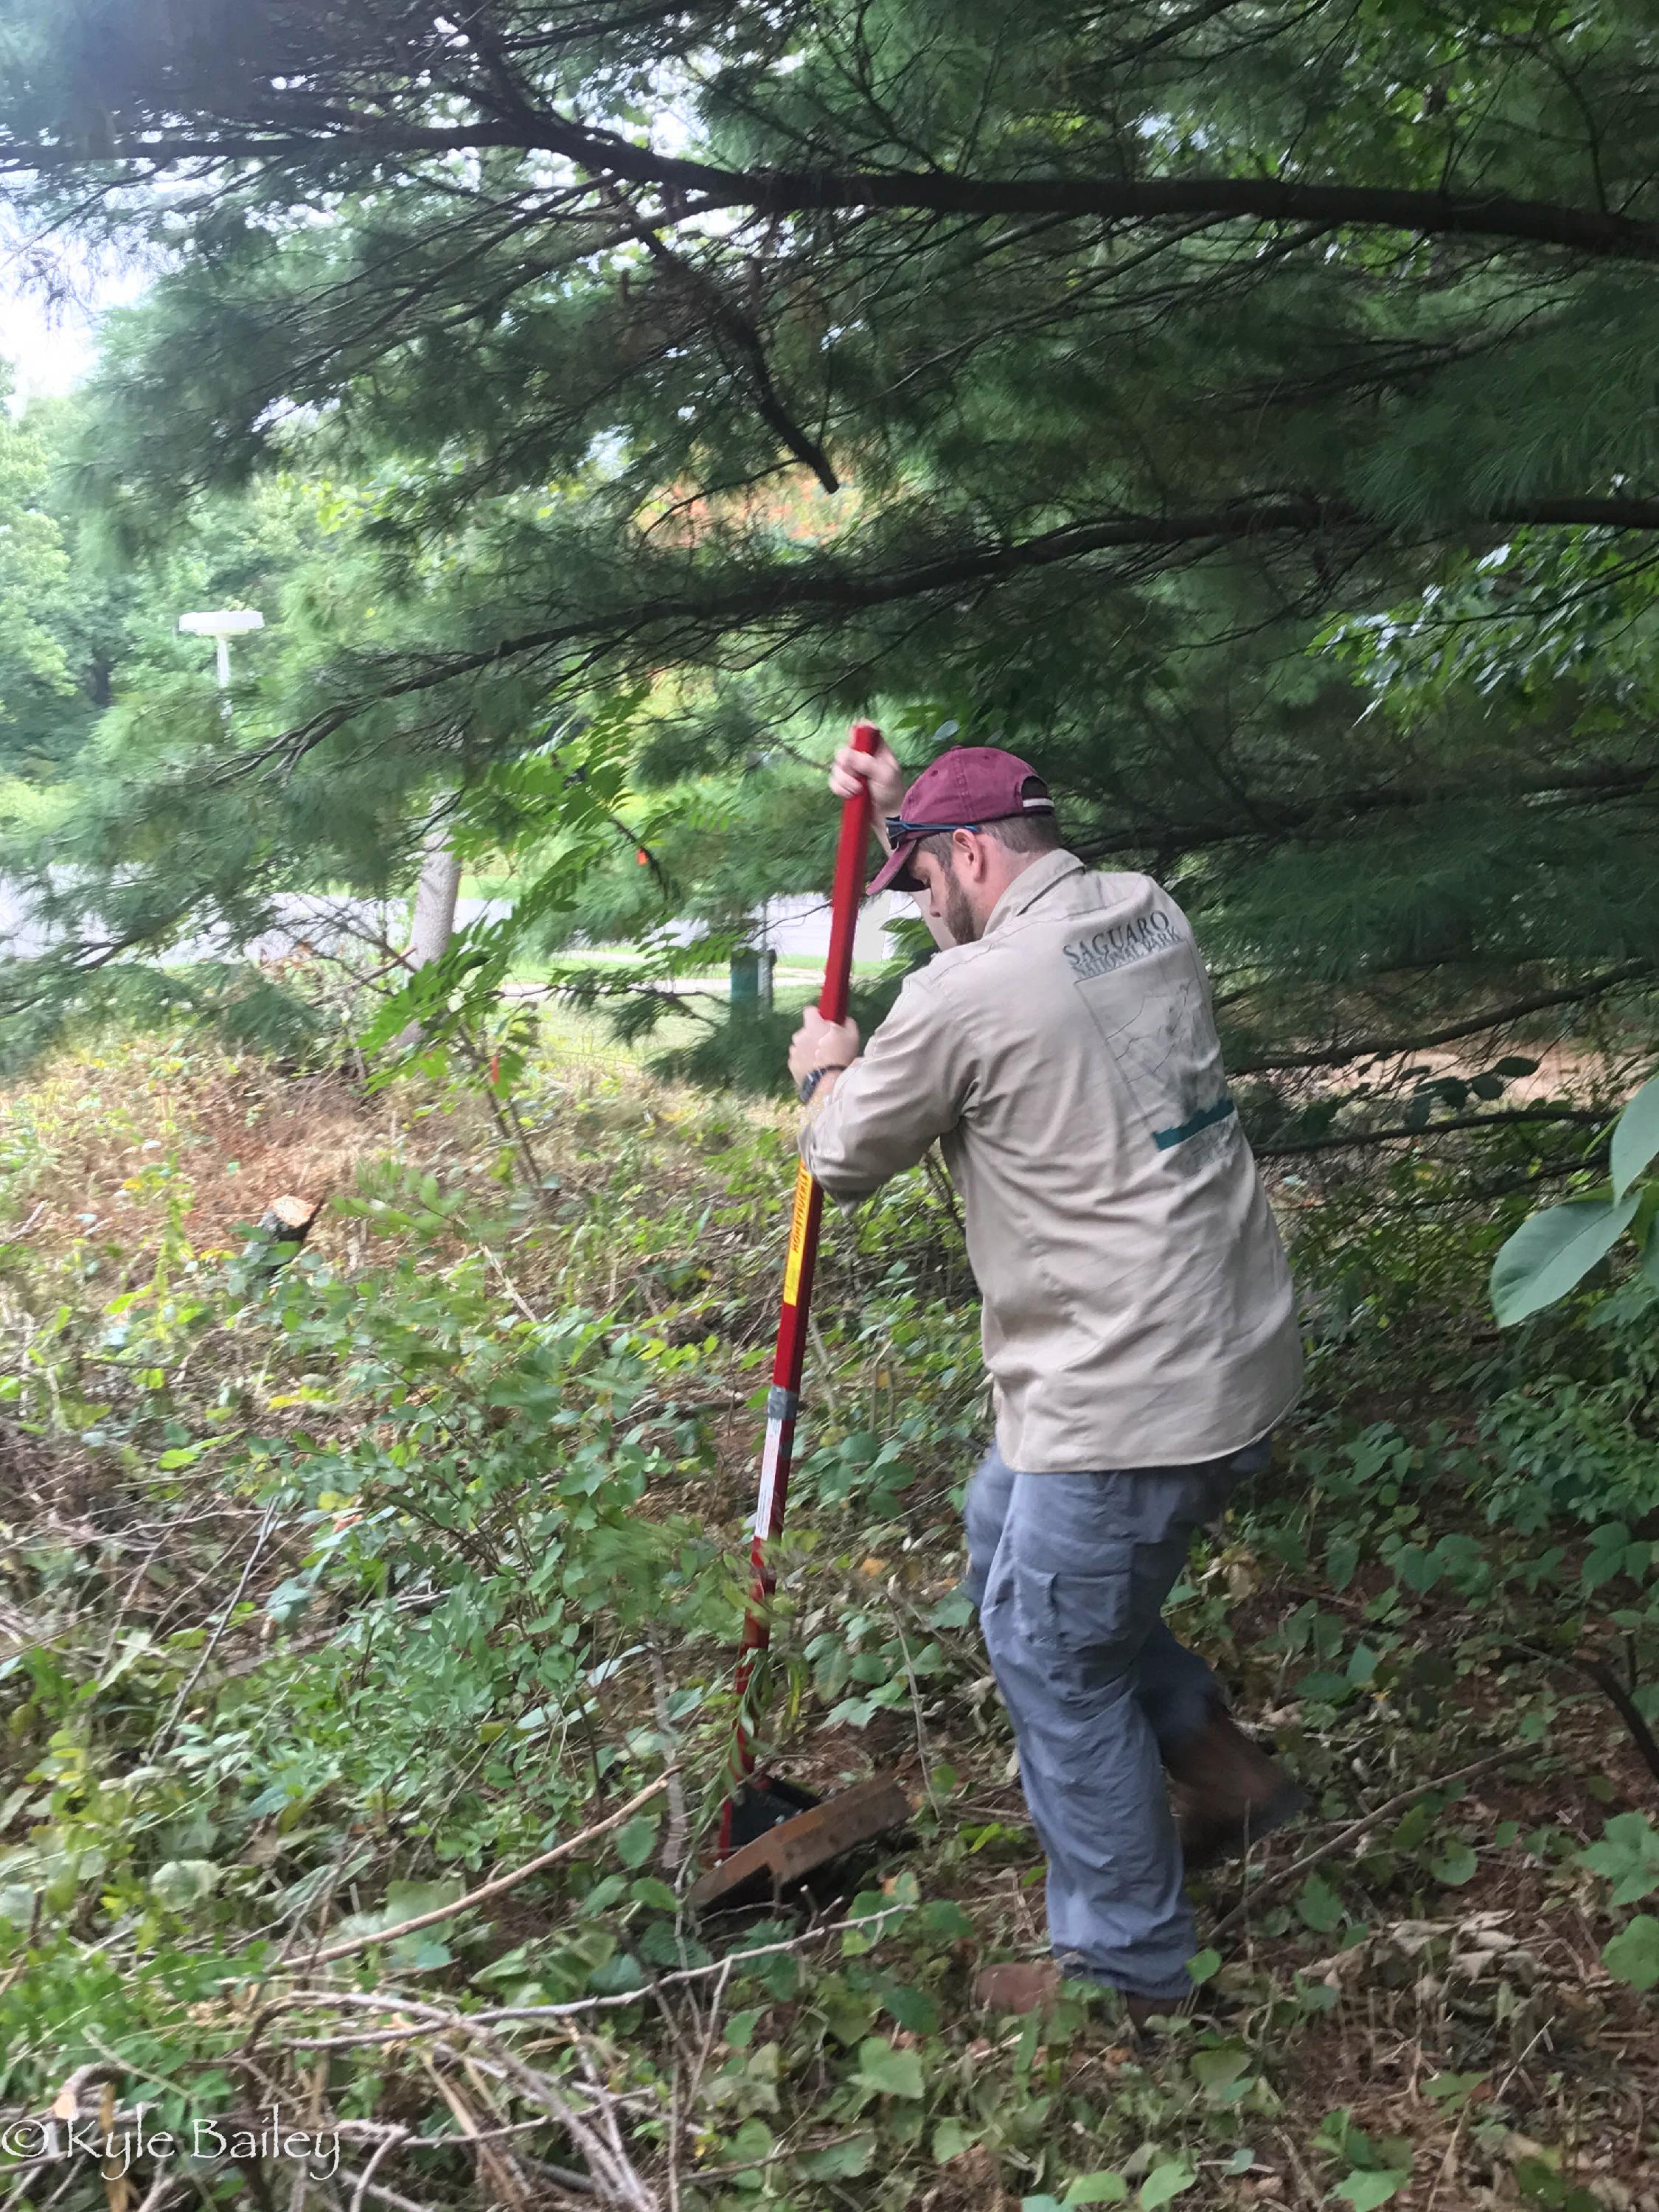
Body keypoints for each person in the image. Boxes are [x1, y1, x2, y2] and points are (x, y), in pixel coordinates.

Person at [788, 736, 1305, 2027]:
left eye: (920, 883)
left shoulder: (965, 996)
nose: (912, 910)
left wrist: (821, 1071)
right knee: (995, 1546)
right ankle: (1230, 1779)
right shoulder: (1144, 912)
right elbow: (1011, 942)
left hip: (1124, 1394)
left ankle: (1127, 1972)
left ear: (969, 857)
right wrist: (920, 804)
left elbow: (843, 1157)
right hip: (1224, 1348)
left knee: (1054, 1658)